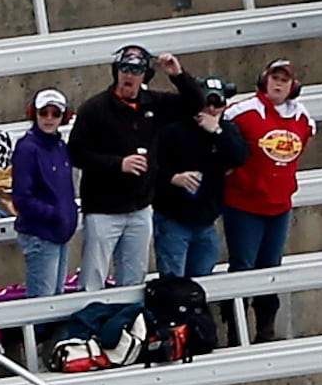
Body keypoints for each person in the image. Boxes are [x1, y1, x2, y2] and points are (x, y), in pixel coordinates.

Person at [221, 60, 313, 339]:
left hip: (279, 206)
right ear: (264, 79)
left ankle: (265, 330)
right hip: (243, 205)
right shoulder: (241, 111)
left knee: (271, 268)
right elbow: (218, 133)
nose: (278, 83)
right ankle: (236, 330)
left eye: (285, 80)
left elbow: (302, 142)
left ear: (293, 86)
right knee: (243, 267)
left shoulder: (302, 117)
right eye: (274, 77)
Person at [68, 45, 170, 288]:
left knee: (135, 279)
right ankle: (92, 323)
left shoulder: (153, 103)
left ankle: (129, 324)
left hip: (140, 209)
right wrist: (118, 164)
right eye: (124, 69)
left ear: (145, 75)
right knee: (94, 276)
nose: (129, 75)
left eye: (136, 70)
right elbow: (76, 154)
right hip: (103, 211)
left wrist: (177, 74)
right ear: (116, 72)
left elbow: (194, 103)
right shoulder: (94, 109)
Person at [153, 77, 245, 278]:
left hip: (206, 223)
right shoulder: (173, 129)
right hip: (173, 220)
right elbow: (151, 166)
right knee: (173, 284)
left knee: (201, 284)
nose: (211, 109)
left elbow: (240, 156)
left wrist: (217, 132)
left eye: (217, 103)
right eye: (206, 102)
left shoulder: (227, 131)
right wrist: (173, 178)